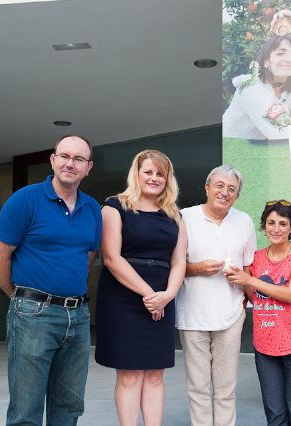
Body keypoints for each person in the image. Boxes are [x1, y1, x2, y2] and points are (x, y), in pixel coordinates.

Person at [0, 135, 101, 426]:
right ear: (52, 161)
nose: (69, 164)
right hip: (32, 314)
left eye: (78, 159)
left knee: (69, 405)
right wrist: (18, 297)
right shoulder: (25, 199)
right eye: (64, 156)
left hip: (77, 315)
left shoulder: (92, 209)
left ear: (88, 167)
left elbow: (87, 256)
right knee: (26, 408)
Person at [94, 149, 187, 426]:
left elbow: (180, 261)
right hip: (123, 298)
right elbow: (111, 258)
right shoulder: (114, 206)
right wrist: (149, 294)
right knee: (131, 374)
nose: (154, 178)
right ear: (136, 174)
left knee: (156, 374)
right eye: (148, 171)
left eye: (160, 174)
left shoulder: (174, 215)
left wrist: (168, 295)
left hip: (163, 297)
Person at [175, 165, 257, 426]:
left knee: (225, 389)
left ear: (237, 196)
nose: (225, 192)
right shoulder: (184, 217)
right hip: (192, 315)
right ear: (207, 187)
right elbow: (172, 266)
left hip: (231, 315)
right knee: (198, 388)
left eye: (232, 189)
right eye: (219, 185)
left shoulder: (243, 221)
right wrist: (196, 268)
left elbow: (248, 269)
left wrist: (247, 299)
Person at [225, 199, 291, 426]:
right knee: (275, 416)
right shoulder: (256, 259)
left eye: (283, 223)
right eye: (271, 223)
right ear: (264, 226)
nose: (276, 229)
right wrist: (245, 275)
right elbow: (253, 296)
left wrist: (250, 279)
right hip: (265, 349)